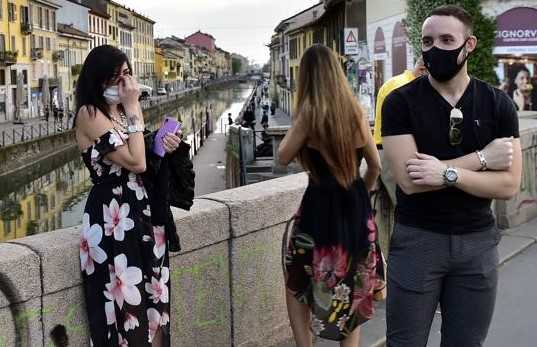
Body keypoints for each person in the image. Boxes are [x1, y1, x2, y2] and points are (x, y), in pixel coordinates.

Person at [381, 6, 522, 346]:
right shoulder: (399, 103)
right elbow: (411, 181)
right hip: (417, 242)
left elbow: (508, 185)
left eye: (446, 40)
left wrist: (444, 172)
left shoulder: (498, 105)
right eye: (427, 41)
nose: (435, 49)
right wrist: (483, 159)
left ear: (469, 44)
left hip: (477, 245)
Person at [74, 45, 182, 347]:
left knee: (156, 301)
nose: (125, 83)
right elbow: (136, 162)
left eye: (127, 74)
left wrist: (163, 144)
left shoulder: (123, 111)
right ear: (98, 81)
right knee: (124, 308)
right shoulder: (90, 114)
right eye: (115, 77)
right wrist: (135, 108)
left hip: (144, 214)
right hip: (111, 219)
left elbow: (143, 158)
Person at [279, 44, 385, 347]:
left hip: (318, 210)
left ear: (308, 78)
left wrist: (300, 127)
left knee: (297, 280)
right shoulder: (356, 113)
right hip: (355, 208)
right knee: (352, 286)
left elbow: (282, 157)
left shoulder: (309, 116)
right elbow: (375, 167)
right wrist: (358, 198)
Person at [373, 58, 427, 204]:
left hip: (385, 147)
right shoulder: (405, 86)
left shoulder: (398, 82)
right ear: (423, 70)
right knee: (404, 202)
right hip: (392, 149)